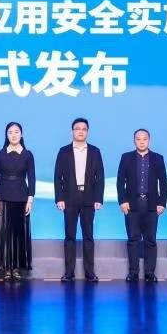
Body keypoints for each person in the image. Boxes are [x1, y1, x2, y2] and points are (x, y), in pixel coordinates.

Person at [54, 117, 105, 282]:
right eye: (77, 129)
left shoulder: (95, 151)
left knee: (88, 236)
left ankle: (90, 272)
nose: (80, 131)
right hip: (69, 198)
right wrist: (59, 198)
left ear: (87, 132)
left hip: (89, 198)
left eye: (84, 129)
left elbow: (100, 177)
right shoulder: (64, 151)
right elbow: (58, 177)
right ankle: (69, 272)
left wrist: (98, 198)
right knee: (70, 236)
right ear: (72, 131)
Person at [116, 128, 167, 282]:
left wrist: (162, 202)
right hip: (132, 204)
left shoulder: (158, 158)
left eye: (144, 139)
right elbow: (120, 181)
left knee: (150, 240)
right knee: (133, 239)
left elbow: (163, 182)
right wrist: (122, 201)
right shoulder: (126, 157)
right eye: (138, 139)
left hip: (152, 204)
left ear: (149, 140)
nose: (141, 142)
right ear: (134, 141)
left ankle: (150, 273)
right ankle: (133, 272)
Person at [0, 122, 37, 281]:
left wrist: (30, 200)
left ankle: (16, 268)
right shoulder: (0, 154)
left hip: (21, 197)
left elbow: (32, 178)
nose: (14, 135)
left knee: (18, 234)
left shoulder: (28, 154)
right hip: (3, 197)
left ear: (21, 134)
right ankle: (5, 268)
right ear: (6, 135)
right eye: (10, 132)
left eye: (17, 132)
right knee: (4, 233)